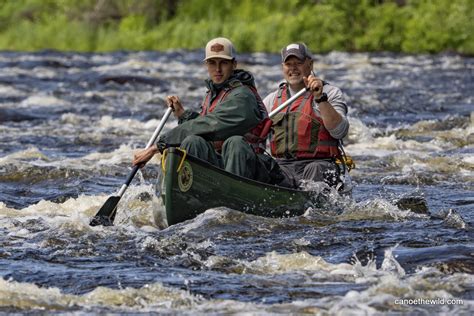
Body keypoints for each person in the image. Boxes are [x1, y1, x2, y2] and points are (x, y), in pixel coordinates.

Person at [132, 37, 279, 183]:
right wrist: (183, 115)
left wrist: (157, 147)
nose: (218, 69)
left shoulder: (243, 96)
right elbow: (204, 127)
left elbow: (212, 125)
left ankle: (231, 197)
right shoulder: (212, 93)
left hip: (248, 168)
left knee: (235, 143)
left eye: (224, 63)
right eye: (212, 63)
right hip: (223, 164)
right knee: (193, 141)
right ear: (206, 65)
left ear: (234, 64)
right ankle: (189, 191)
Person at [263, 43, 350, 190]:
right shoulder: (272, 100)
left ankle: (311, 208)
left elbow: (340, 131)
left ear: (310, 64)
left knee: (314, 169)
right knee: (264, 166)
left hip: (320, 165)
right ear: (282, 67)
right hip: (284, 167)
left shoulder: (330, 93)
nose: (293, 68)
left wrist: (320, 98)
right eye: (288, 64)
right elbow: (256, 137)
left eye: (298, 63)